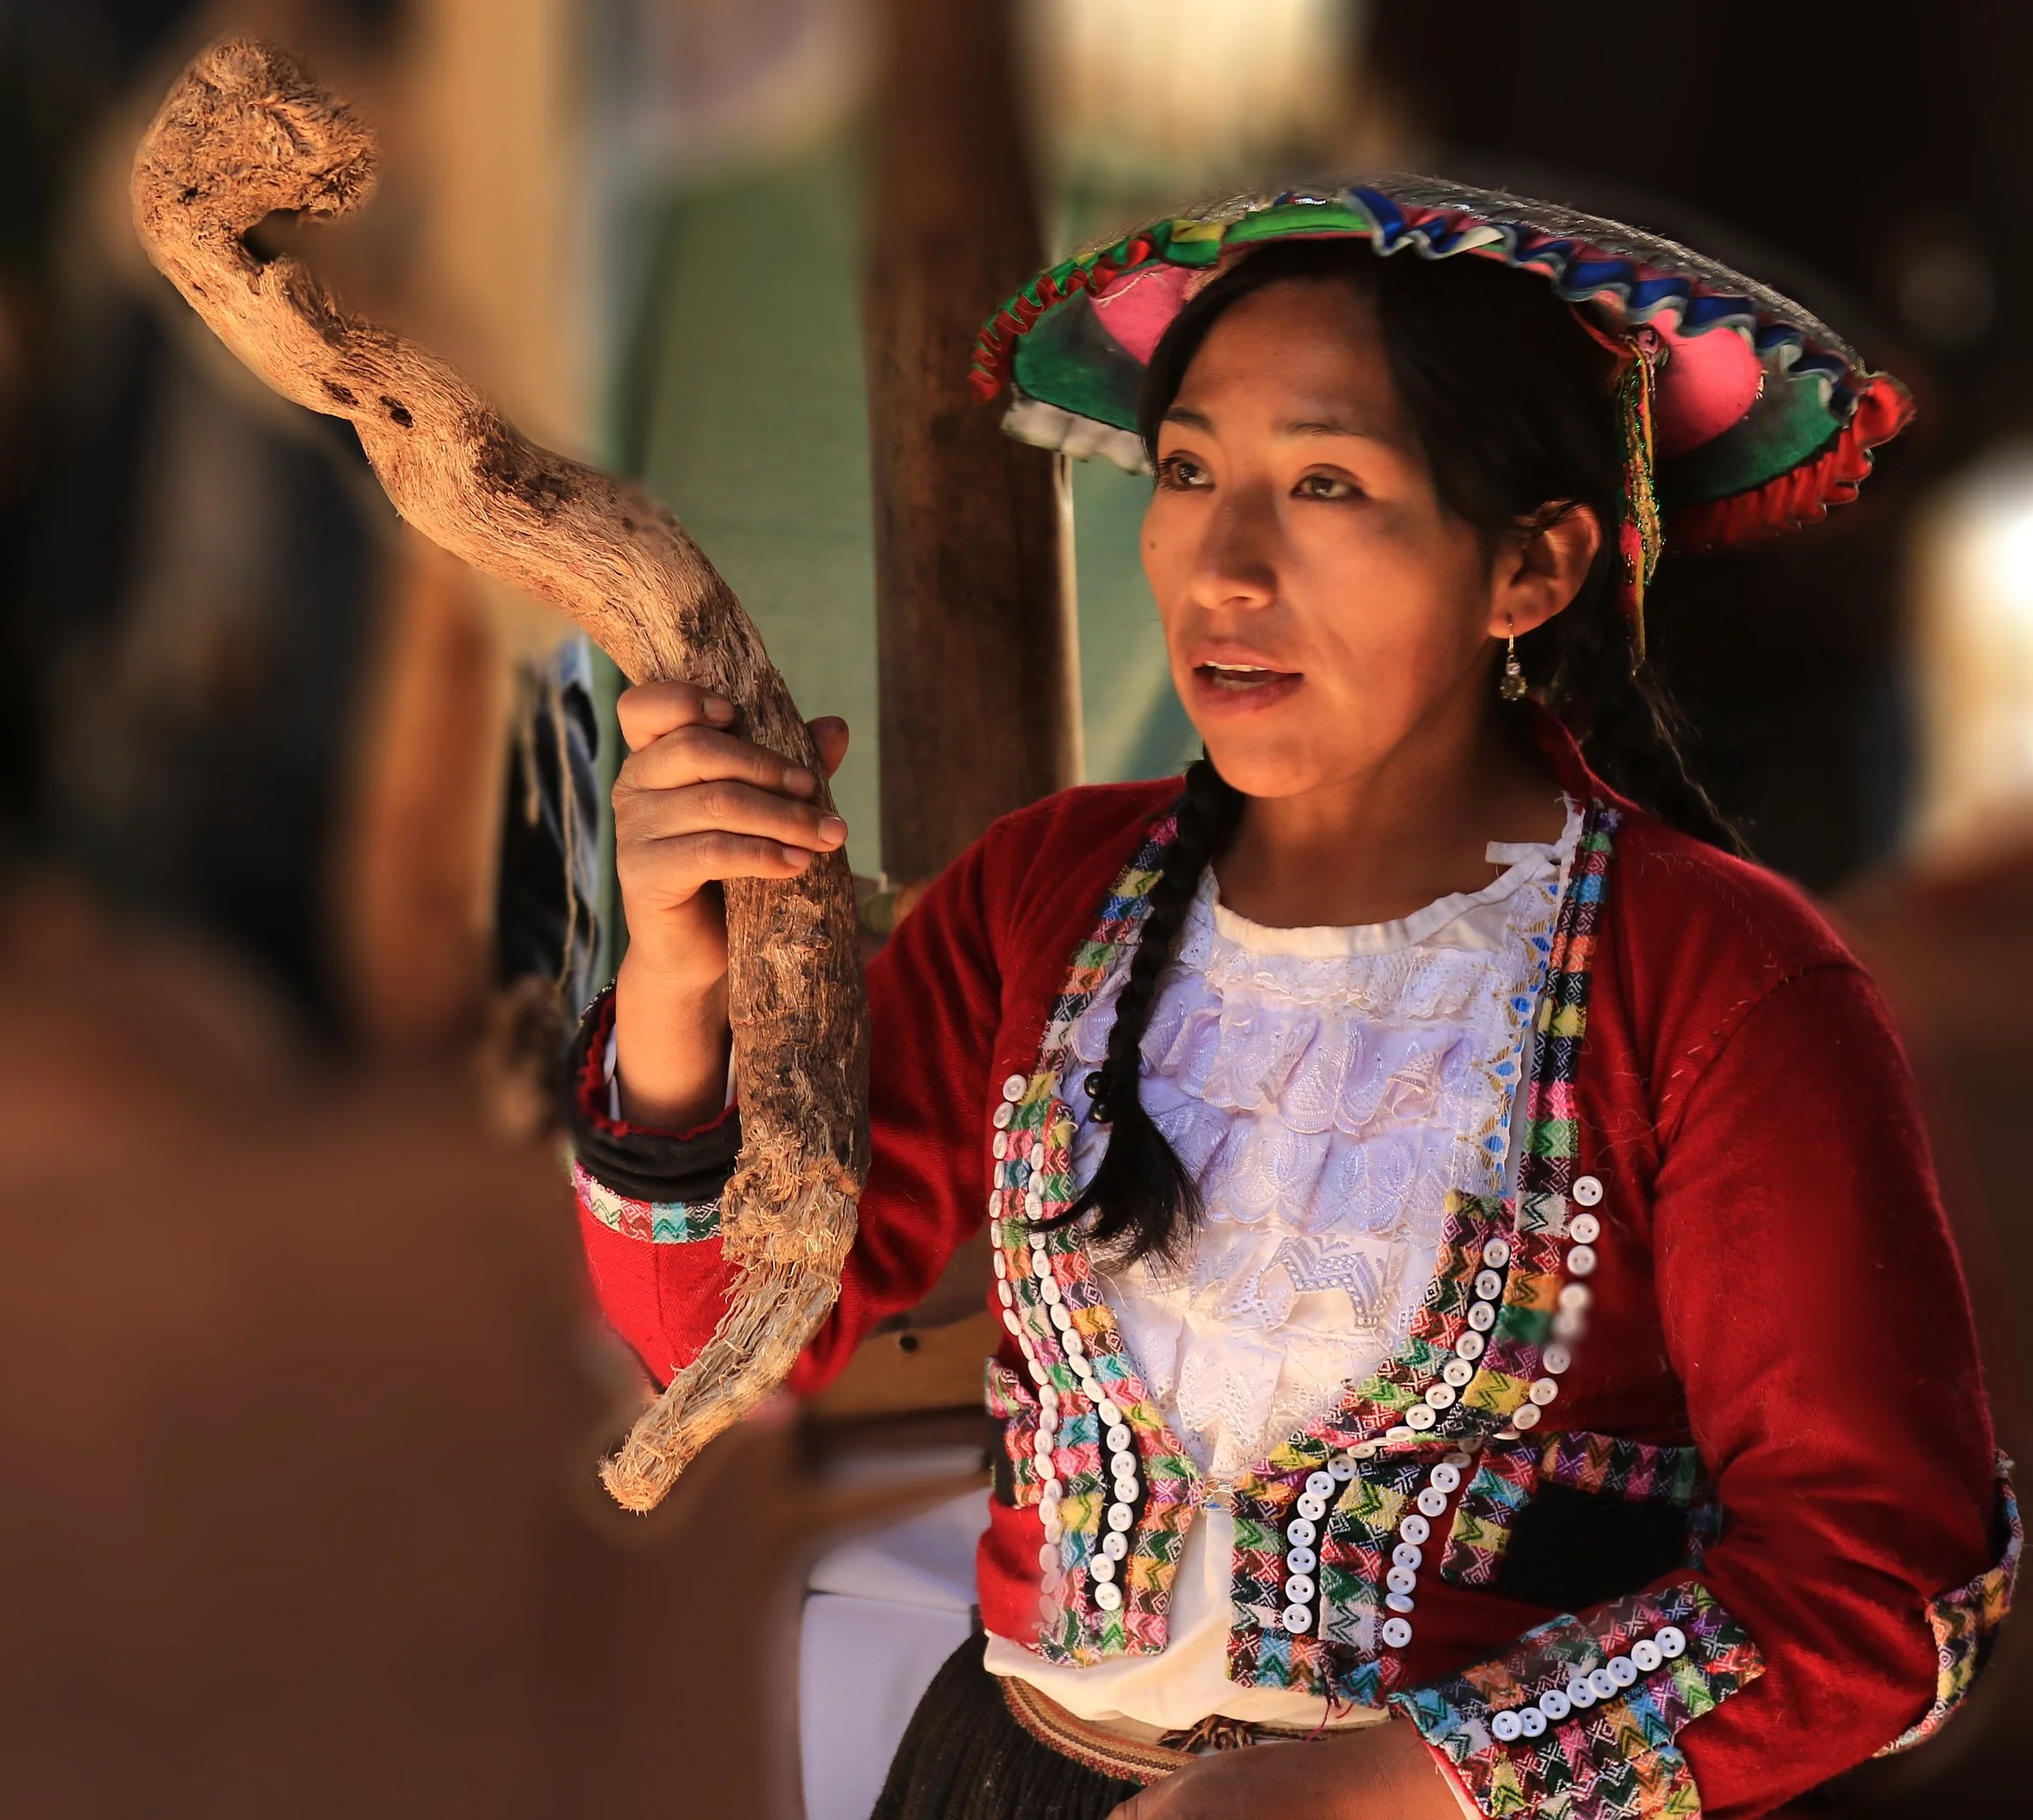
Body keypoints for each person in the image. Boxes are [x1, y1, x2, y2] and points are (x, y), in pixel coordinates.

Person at [567, 180, 2018, 1819]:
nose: (1222, 563)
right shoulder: (1046, 896)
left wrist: (1367, 1792)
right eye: (1189, 471)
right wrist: (677, 981)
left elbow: (1880, 1596)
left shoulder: (1722, 986)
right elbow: (718, 1342)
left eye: (1327, 482)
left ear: (1532, 566)